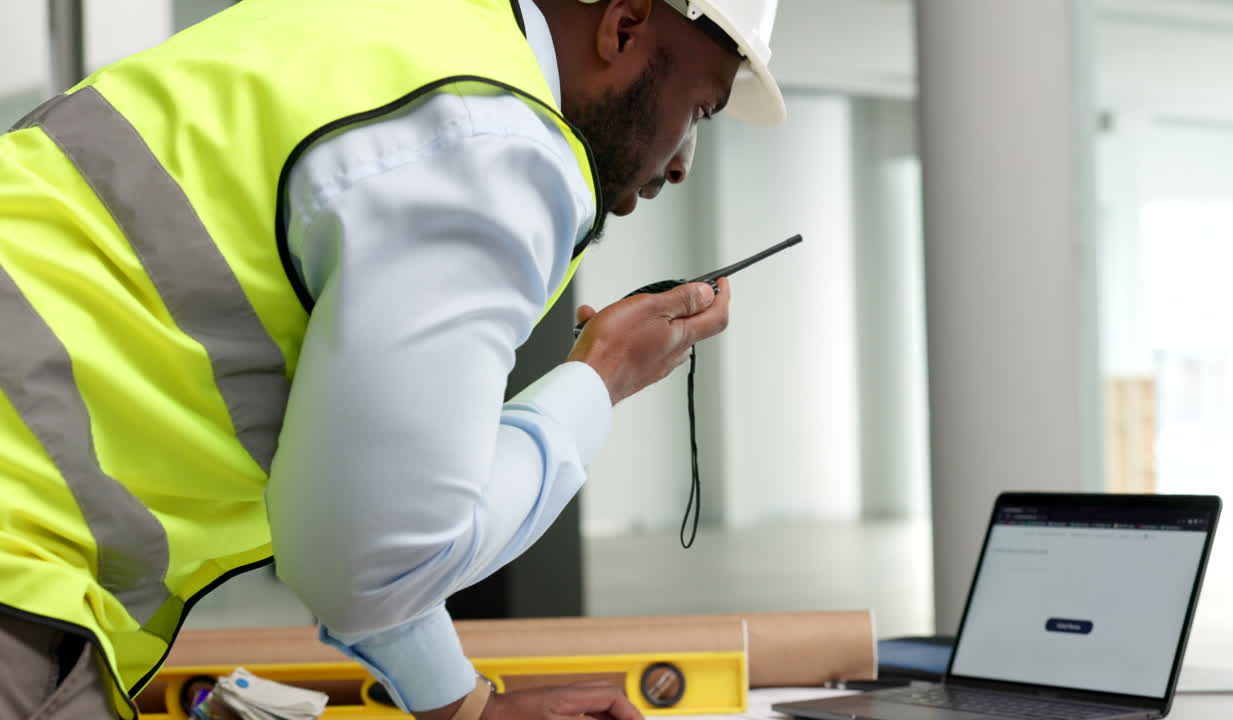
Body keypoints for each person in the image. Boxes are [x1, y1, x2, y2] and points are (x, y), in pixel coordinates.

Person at [0, 0, 785, 718]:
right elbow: (377, 560)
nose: (683, 161)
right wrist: (600, 378)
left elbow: (354, 495)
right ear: (624, 23)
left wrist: (464, 706)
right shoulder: (494, 144)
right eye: (702, 111)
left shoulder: (396, 29)